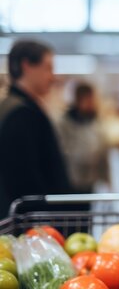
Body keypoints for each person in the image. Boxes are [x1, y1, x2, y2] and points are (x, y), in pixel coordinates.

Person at [0, 40, 73, 217]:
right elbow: (24, 180)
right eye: (47, 67)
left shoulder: (16, 107)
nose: (52, 76)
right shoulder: (21, 114)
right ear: (27, 66)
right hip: (32, 226)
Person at [57, 82, 110, 193]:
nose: (92, 103)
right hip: (72, 180)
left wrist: (107, 180)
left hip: (90, 179)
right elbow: (62, 150)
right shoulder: (65, 123)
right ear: (79, 99)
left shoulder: (95, 121)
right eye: (89, 99)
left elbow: (103, 151)